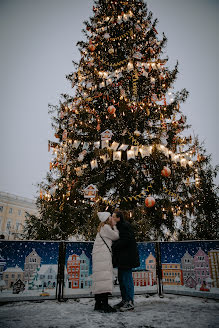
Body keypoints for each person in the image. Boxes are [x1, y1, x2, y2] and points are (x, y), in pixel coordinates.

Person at [111, 210, 140, 311]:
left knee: (127, 280)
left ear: (119, 218)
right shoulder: (119, 227)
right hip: (122, 259)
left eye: (114, 217)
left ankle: (130, 301)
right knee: (122, 280)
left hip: (127, 259)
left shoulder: (124, 226)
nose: (112, 218)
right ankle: (124, 300)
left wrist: (113, 245)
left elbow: (126, 240)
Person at [92, 211, 119, 313]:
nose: (112, 219)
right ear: (108, 219)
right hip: (103, 256)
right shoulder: (107, 228)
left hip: (99, 255)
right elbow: (116, 236)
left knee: (100, 280)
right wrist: (115, 227)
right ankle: (105, 305)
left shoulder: (101, 228)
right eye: (111, 217)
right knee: (104, 279)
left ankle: (98, 304)